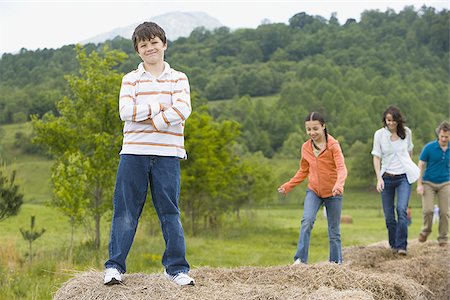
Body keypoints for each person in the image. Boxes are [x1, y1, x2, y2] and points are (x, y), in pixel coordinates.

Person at [104, 22, 194, 286]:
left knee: (170, 212)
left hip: (168, 155)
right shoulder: (130, 79)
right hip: (133, 153)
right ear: (138, 51)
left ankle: (177, 269)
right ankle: (114, 267)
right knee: (126, 212)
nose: (149, 48)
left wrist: (152, 119)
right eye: (143, 45)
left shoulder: (179, 78)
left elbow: (183, 110)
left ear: (164, 44)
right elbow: (125, 113)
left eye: (154, 42)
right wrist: (160, 106)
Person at [278, 112, 347, 264]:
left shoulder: (333, 146)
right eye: (308, 130)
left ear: (323, 126)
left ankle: (335, 264)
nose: (312, 133)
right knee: (307, 221)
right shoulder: (306, 147)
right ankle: (300, 260)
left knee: (334, 231)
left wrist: (338, 185)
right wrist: (288, 186)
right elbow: (303, 171)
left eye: (315, 128)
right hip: (314, 191)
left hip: (333, 192)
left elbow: (342, 168)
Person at [371, 106, 420, 255]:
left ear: (398, 120)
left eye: (393, 120)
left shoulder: (407, 133)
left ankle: (402, 246)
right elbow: (376, 157)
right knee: (389, 216)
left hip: (403, 178)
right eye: (388, 120)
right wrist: (379, 178)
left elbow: (409, 152)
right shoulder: (379, 134)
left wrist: (409, 168)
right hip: (386, 177)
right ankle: (393, 245)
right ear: (385, 120)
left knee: (401, 210)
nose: (391, 123)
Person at [417, 121, 450, 247]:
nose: (443, 139)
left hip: (445, 183)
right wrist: (419, 184)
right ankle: (426, 231)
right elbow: (420, 165)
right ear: (438, 134)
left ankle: (443, 238)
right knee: (428, 210)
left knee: (445, 212)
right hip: (428, 183)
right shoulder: (429, 148)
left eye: (446, 137)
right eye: (441, 136)